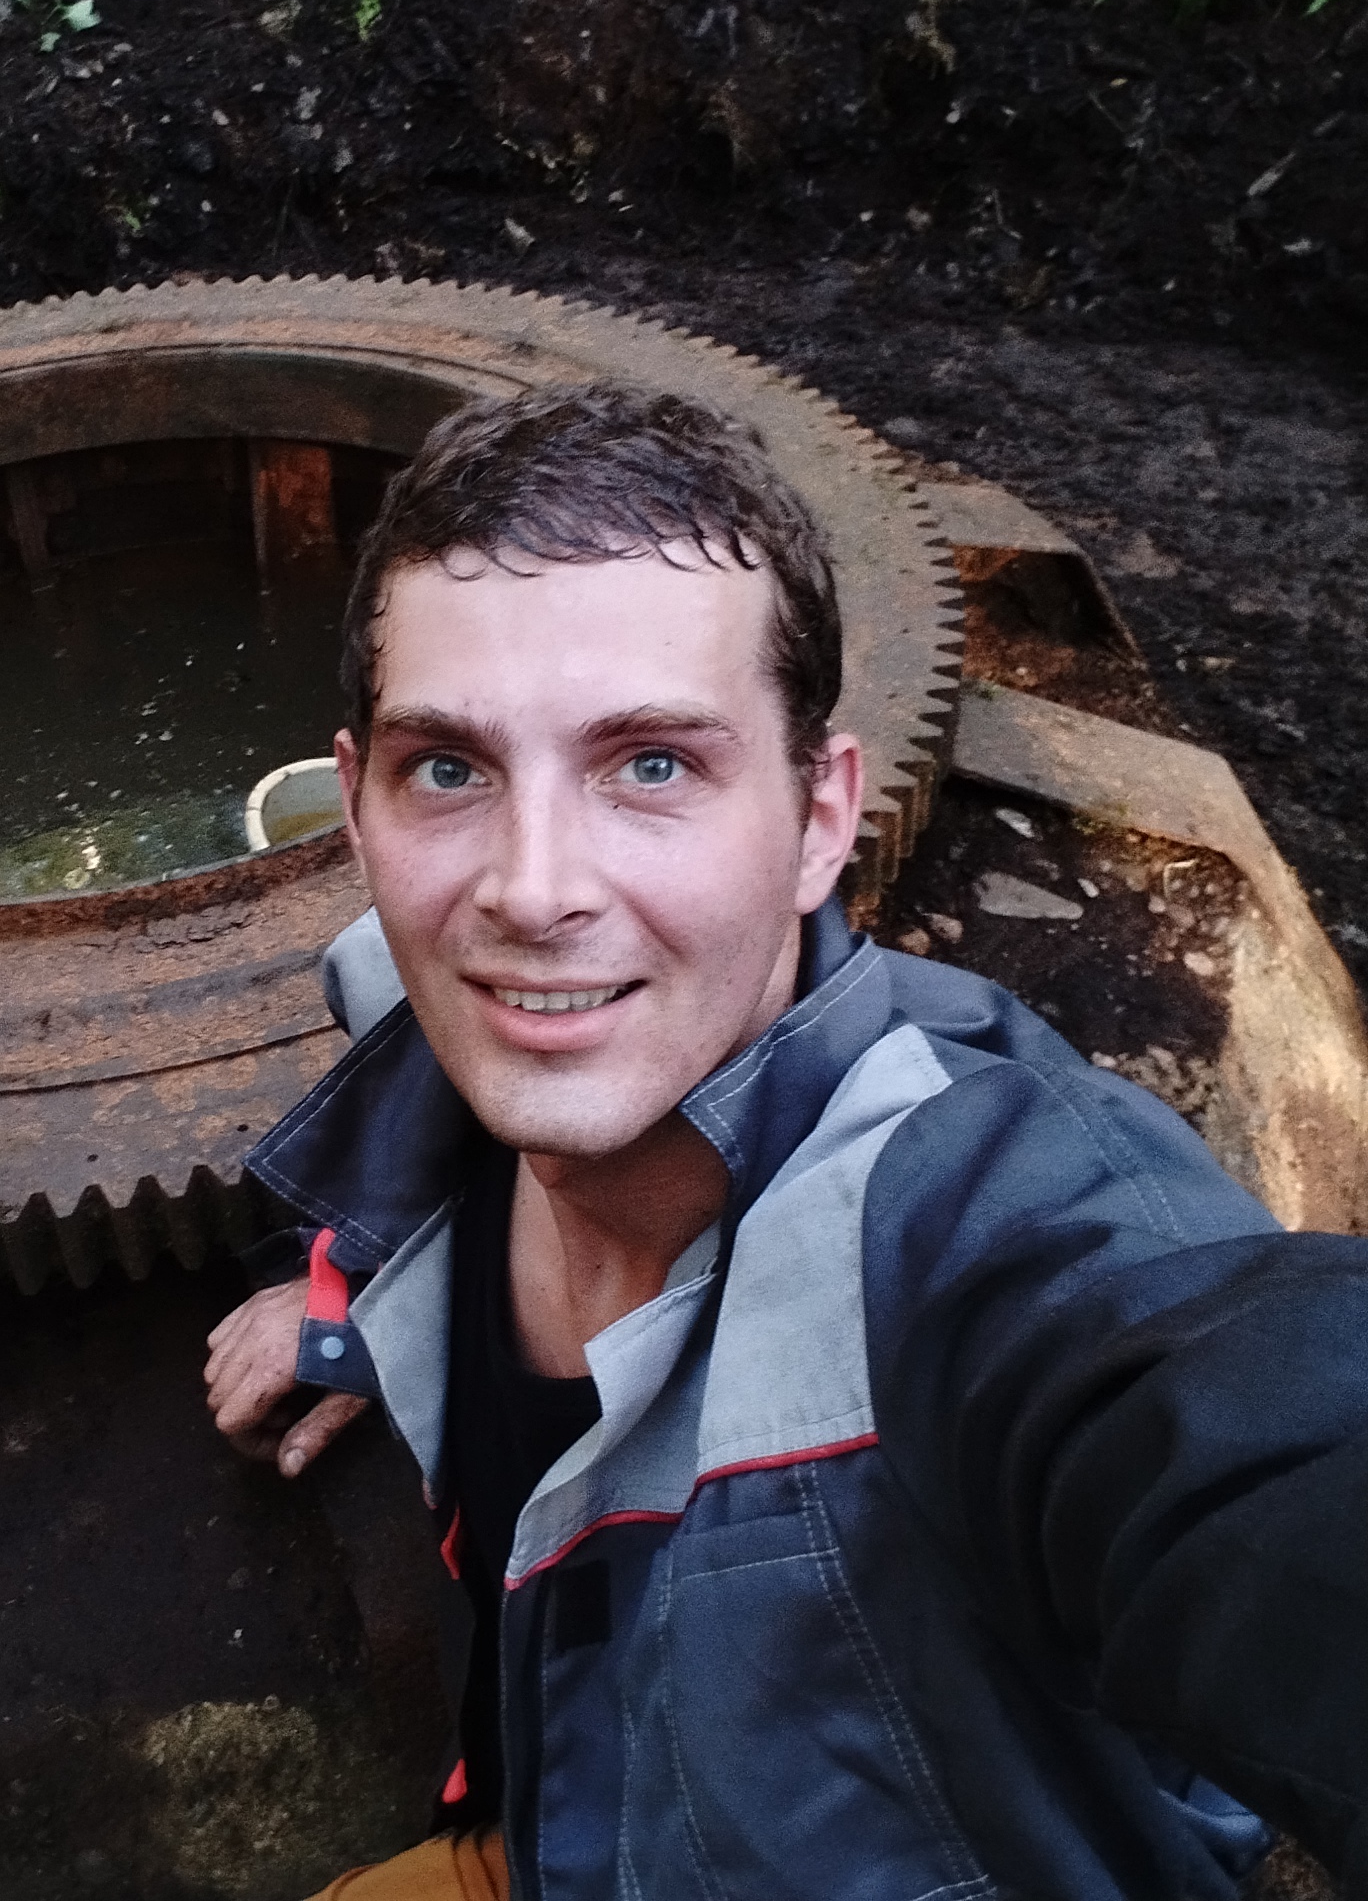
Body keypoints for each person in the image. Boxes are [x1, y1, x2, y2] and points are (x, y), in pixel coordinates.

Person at [201, 383, 1368, 1901]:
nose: (530, 889)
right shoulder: (446, 1031)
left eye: (653, 765)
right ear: (353, 808)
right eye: (451, 769)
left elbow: (1238, 1444)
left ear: (823, 817)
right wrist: (349, 1293)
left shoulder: (991, 1234)